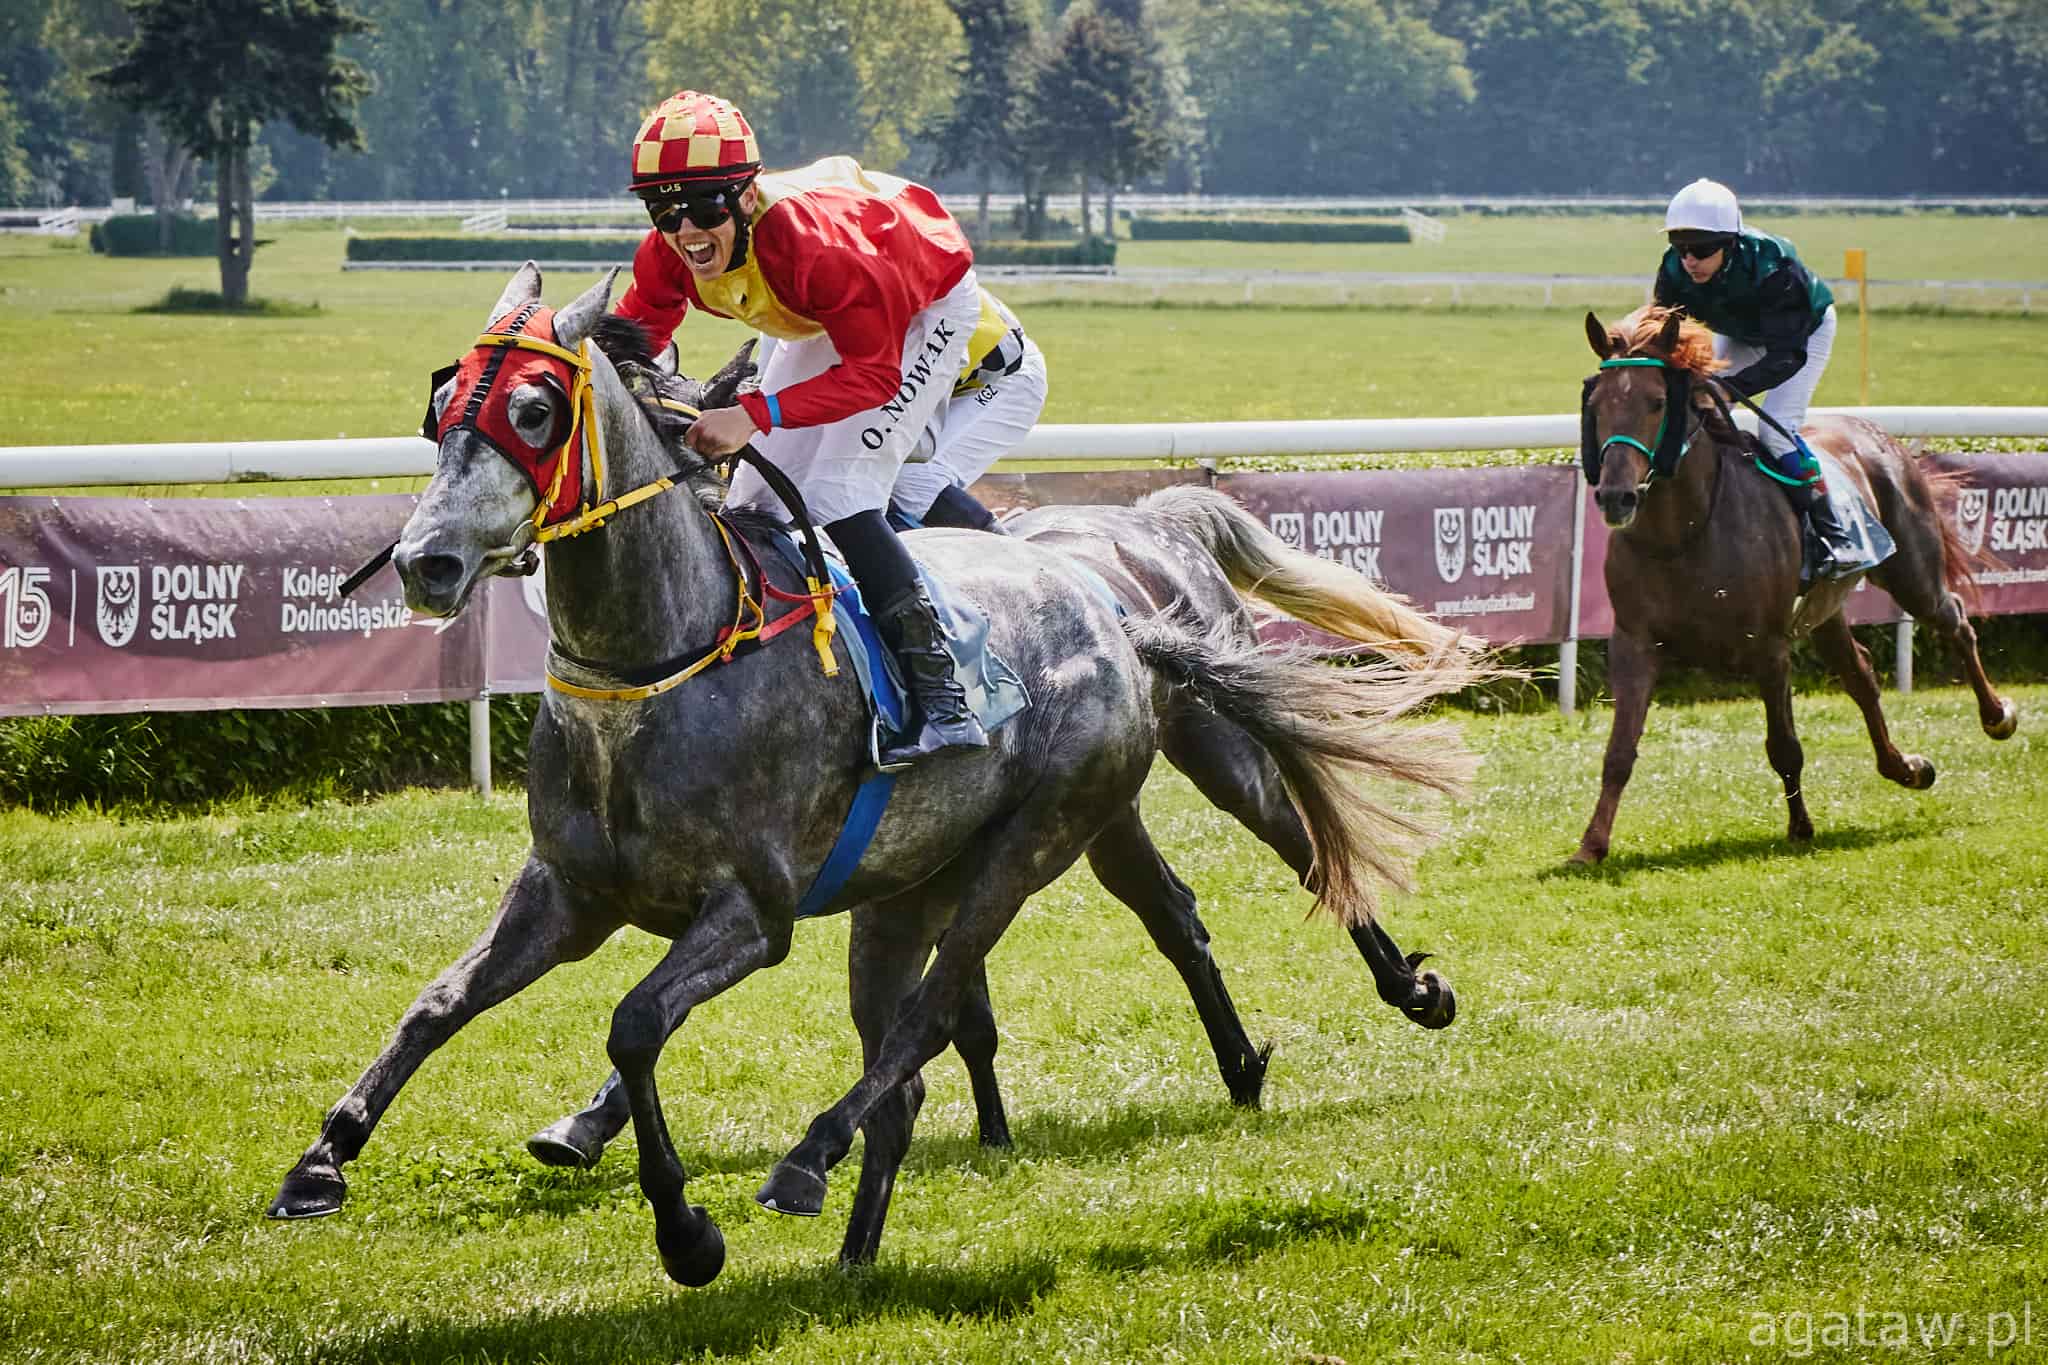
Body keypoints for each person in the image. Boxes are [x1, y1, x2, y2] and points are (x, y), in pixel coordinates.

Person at [615, 90, 1047, 767]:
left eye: (704, 208)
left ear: (746, 196)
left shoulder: (810, 249)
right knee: (751, 502)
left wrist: (754, 414)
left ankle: (948, 699)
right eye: (663, 211)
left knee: (839, 492)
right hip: (834, 308)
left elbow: (874, 375)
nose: (686, 231)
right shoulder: (674, 247)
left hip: (922, 308)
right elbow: (635, 335)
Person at [1654, 177, 1861, 577]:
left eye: (1700, 250)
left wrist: (1729, 388)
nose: (1688, 261)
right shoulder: (1673, 268)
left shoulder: (1775, 267)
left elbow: (1787, 356)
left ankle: (1834, 532)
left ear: (1729, 244)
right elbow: (1663, 332)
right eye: (1680, 249)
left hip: (1803, 333)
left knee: (1776, 430)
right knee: (1699, 408)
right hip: (1742, 331)